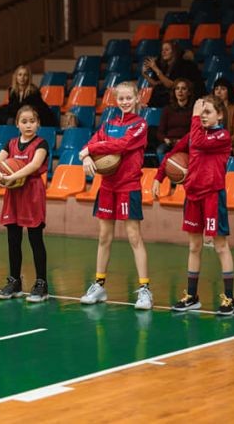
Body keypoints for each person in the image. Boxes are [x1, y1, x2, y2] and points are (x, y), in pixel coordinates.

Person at [153, 95, 234, 315]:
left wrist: (193, 116)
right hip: (192, 196)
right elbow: (172, 154)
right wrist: (159, 176)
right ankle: (192, 296)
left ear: (220, 115)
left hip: (212, 196)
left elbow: (199, 142)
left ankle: (230, 299)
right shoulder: (195, 134)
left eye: (207, 112)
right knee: (194, 246)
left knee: (220, 246)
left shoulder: (222, 136)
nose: (202, 116)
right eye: (201, 112)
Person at [78, 81, 153, 310]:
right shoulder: (108, 124)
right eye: (121, 98)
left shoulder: (140, 125)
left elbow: (122, 145)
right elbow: (89, 145)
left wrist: (91, 150)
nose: (125, 102)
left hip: (128, 186)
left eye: (129, 98)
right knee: (104, 237)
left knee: (134, 237)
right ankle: (99, 285)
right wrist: (86, 156)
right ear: (115, 100)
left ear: (137, 98)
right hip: (107, 186)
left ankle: (145, 290)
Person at [0, 105, 50, 302]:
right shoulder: (11, 143)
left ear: (38, 124)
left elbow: (34, 165)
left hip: (32, 192)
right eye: (24, 122)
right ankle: (14, 281)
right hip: (14, 193)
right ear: (17, 124)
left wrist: (11, 176)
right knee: (13, 239)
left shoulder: (41, 143)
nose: (28, 125)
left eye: (32, 121)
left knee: (35, 238)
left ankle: (41, 284)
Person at [142, 41, 204, 107]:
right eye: (162, 50)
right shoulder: (165, 66)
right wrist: (145, 75)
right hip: (168, 95)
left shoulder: (183, 65)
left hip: (181, 97)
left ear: (174, 52)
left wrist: (156, 69)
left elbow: (172, 85)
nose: (163, 52)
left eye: (167, 50)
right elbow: (156, 84)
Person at [156, 78, 195, 157]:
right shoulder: (167, 109)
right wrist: (165, 139)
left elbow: (195, 131)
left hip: (186, 142)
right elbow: (160, 132)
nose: (180, 91)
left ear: (189, 92)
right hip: (170, 142)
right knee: (160, 150)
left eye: (183, 88)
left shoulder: (194, 110)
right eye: (177, 88)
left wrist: (184, 141)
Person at [212, 77, 234, 156]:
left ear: (229, 91)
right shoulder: (211, 108)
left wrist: (221, 144)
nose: (219, 92)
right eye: (216, 89)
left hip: (231, 146)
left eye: (223, 89)